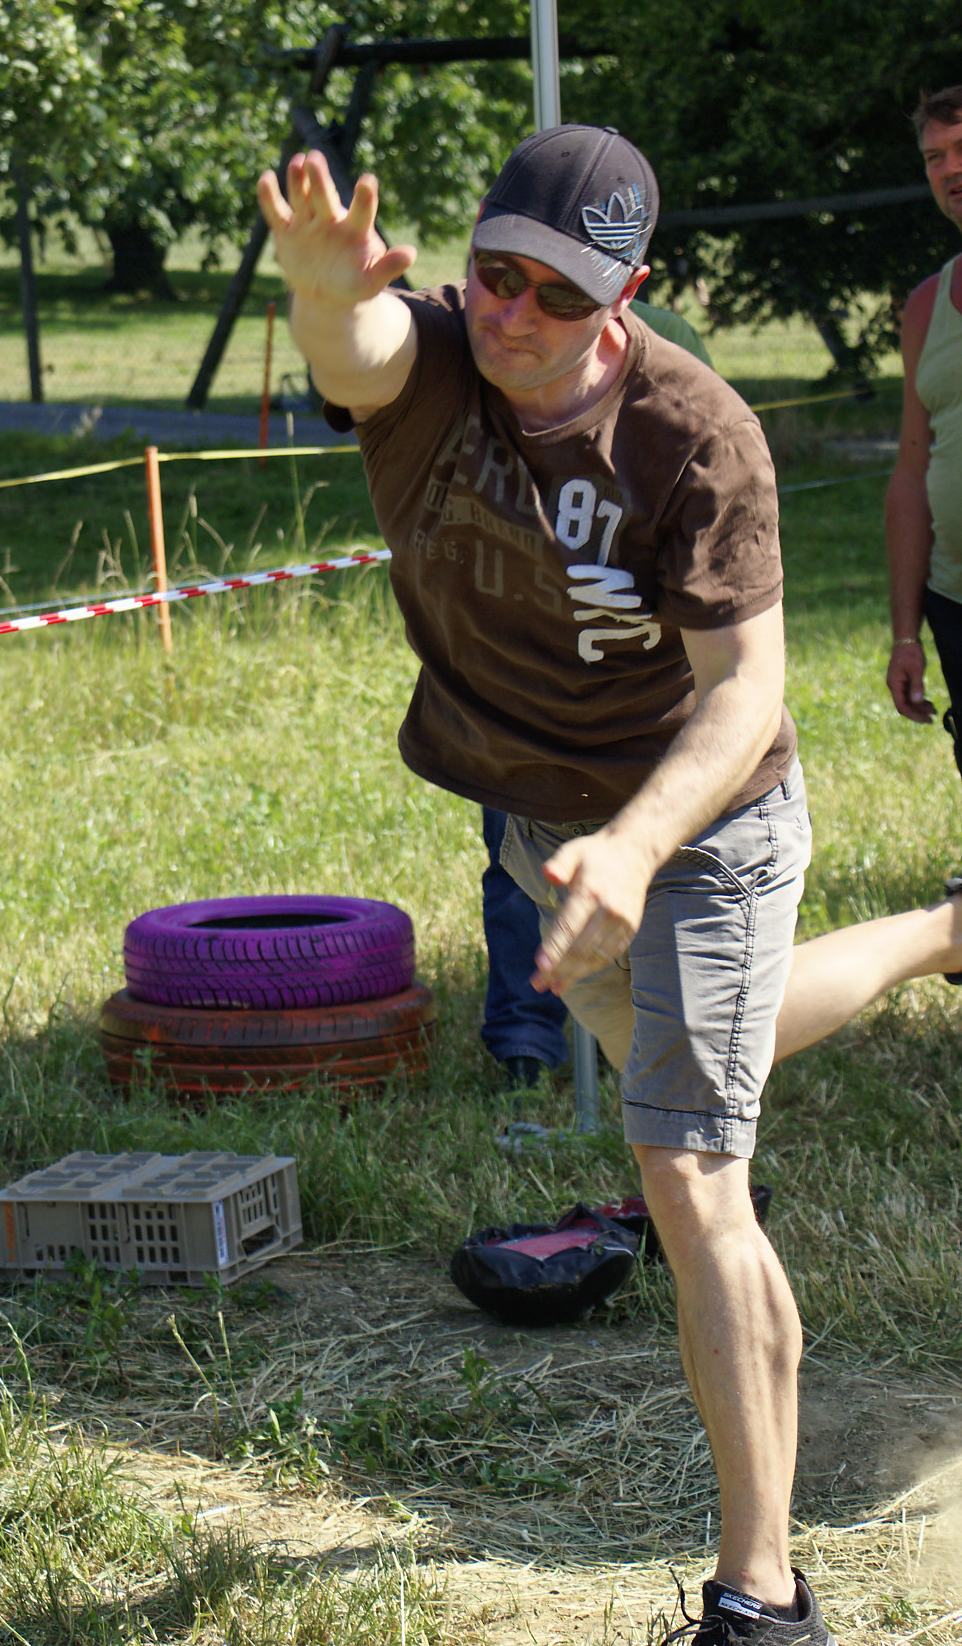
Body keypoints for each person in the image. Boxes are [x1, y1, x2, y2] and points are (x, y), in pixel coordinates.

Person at [256, 123, 949, 1646]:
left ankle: (761, 1596)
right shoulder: (438, 361)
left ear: (624, 296)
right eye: (495, 274)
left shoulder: (696, 436)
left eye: (558, 294)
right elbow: (365, 350)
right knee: (707, 1084)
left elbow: (746, 690)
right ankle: (941, 933)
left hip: (699, 832)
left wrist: (637, 847)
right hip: (543, 830)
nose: (513, 314)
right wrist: (317, 291)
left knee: (689, 1170)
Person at [482, 293, 714, 1101]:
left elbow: (699, 491)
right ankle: (523, 1037)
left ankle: (676, 1039)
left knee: (664, 882)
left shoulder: (671, 345)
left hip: (637, 684)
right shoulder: (490, 337)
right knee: (517, 868)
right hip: (521, 681)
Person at [886, 85, 962, 787]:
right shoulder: (926, 306)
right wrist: (905, 635)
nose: (949, 168)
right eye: (934, 157)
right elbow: (911, 476)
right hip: (955, 601)